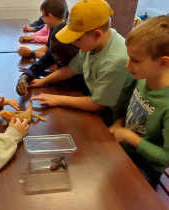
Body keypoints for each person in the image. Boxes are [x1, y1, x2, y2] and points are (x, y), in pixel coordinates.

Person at [31, 0, 135, 126]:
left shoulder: (115, 60)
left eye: (77, 39)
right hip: (97, 101)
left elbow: (98, 104)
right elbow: (72, 68)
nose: (74, 43)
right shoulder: (95, 42)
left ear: (97, 34)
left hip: (112, 116)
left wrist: (58, 99)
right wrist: (44, 81)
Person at [109, 15, 169, 189]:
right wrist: (119, 122)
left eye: (135, 60)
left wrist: (130, 137)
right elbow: (130, 108)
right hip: (123, 151)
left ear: (163, 62)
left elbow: (166, 158)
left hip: (146, 168)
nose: (128, 65)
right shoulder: (143, 77)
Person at [17, 22, 89, 96]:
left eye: (60, 53)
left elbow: (69, 80)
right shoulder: (55, 50)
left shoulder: (81, 57)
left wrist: (44, 76)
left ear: (75, 48)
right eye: (53, 51)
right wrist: (23, 78)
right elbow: (36, 67)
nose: (55, 56)